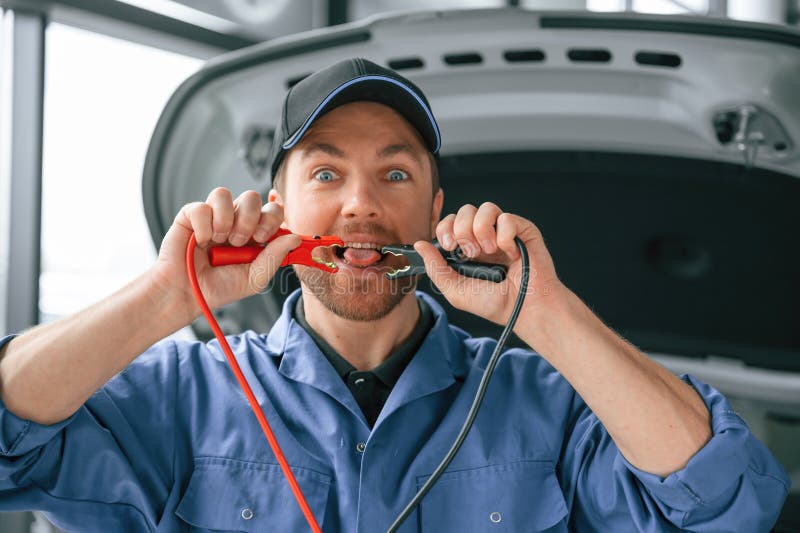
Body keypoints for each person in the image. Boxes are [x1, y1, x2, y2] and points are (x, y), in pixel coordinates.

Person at [0, 57, 789, 532]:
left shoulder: (543, 401)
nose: (360, 203)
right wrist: (163, 297)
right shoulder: (186, 395)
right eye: (325, 172)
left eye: (396, 173)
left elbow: (724, 502)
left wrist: (546, 310)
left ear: (433, 214)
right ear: (278, 208)